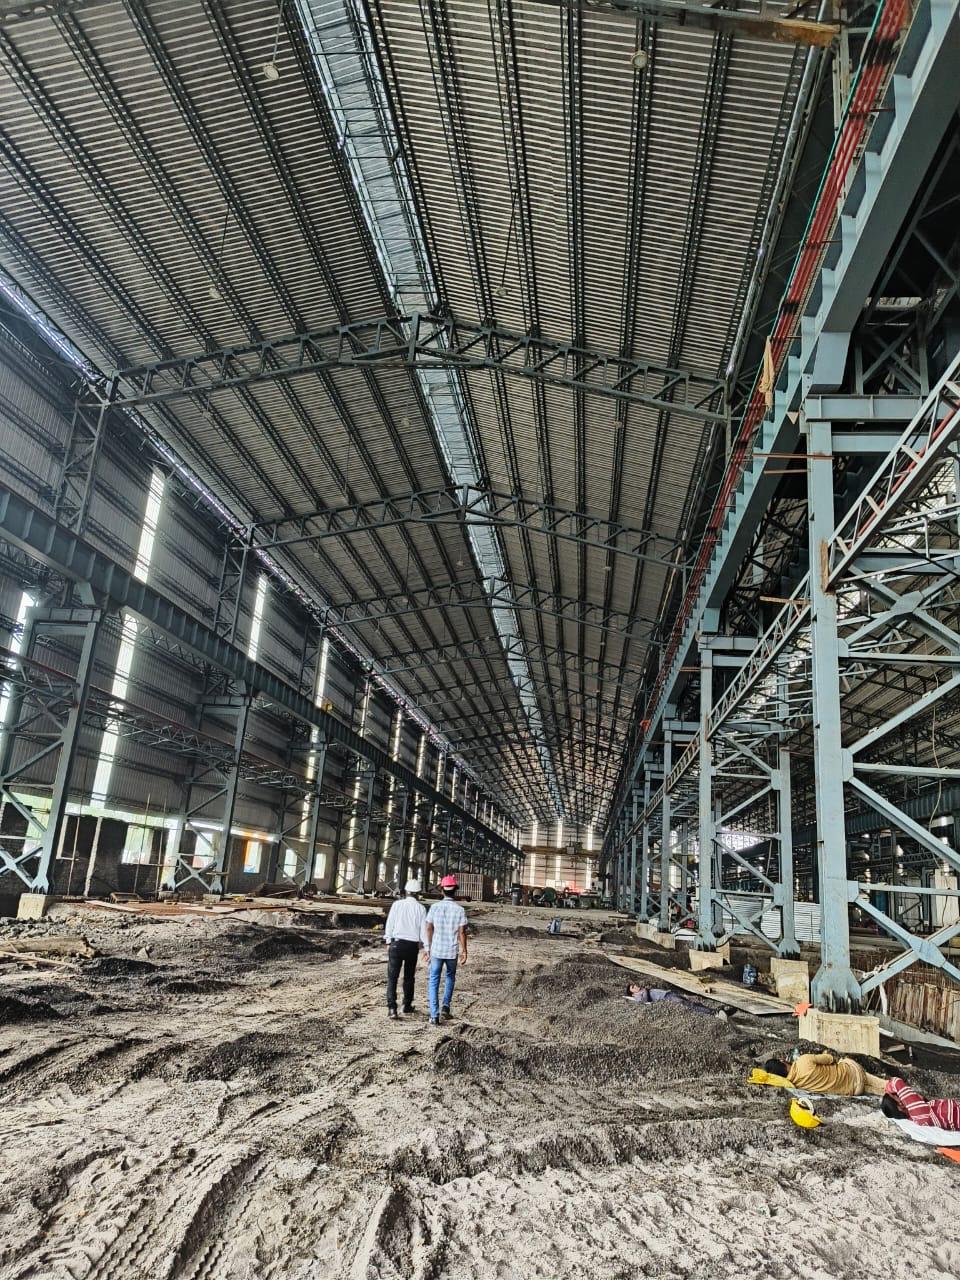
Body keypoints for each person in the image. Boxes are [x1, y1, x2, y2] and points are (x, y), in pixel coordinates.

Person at [424, 874, 468, 1027]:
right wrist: (464, 951)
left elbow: (429, 928)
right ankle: (445, 1007)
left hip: (436, 950)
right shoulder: (460, 910)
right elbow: (462, 932)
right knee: (450, 977)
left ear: (442, 891)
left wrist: (428, 948)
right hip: (451, 951)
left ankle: (434, 1015)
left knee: (434, 980)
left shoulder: (434, 908)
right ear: (455, 891)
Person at [384, 878, 427, 1019]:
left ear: (406, 891)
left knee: (392, 977)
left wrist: (388, 941)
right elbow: (423, 931)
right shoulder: (421, 908)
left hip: (396, 944)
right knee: (409, 977)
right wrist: (426, 947)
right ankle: (407, 1005)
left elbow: (390, 924)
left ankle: (392, 1009)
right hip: (411, 947)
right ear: (418, 893)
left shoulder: (397, 905)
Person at [763, 1052, 887, 1097]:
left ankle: (886, 1093)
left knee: (875, 1089)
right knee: (883, 1084)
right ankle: (891, 1087)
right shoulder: (804, 1060)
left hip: (854, 1090)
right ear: (782, 1061)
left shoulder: (794, 1085)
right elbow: (830, 1058)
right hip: (854, 1072)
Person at [881, 1077, 960, 1130]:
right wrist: (887, 1091)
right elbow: (896, 1082)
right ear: (900, 1106)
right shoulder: (918, 1113)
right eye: (897, 1095)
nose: (902, 1095)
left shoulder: (917, 1117)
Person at [626, 983, 717, 1016]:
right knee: (689, 1004)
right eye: (633, 987)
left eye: (634, 985)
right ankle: (712, 1012)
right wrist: (645, 991)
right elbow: (644, 1000)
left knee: (690, 1002)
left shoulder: (642, 989)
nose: (636, 986)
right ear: (632, 993)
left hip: (668, 993)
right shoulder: (638, 996)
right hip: (666, 998)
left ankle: (711, 1010)